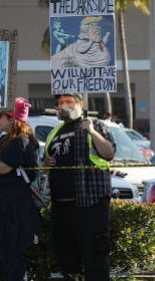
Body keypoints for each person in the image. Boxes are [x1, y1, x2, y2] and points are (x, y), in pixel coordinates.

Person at [41, 93, 116, 281]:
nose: (63, 106)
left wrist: (91, 131)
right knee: (67, 259)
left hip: (90, 205)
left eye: (68, 102)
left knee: (95, 257)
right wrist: (45, 164)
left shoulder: (96, 125)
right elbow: (45, 166)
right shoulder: (54, 133)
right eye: (60, 103)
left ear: (80, 104)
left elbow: (109, 153)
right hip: (61, 207)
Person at [0, 97, 42, 280]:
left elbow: (1, 168)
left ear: (12, 119)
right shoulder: (4, 140)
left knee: (11, 254)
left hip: (13, 208)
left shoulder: (21, 142)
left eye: (2, 116)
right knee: (2, 254)